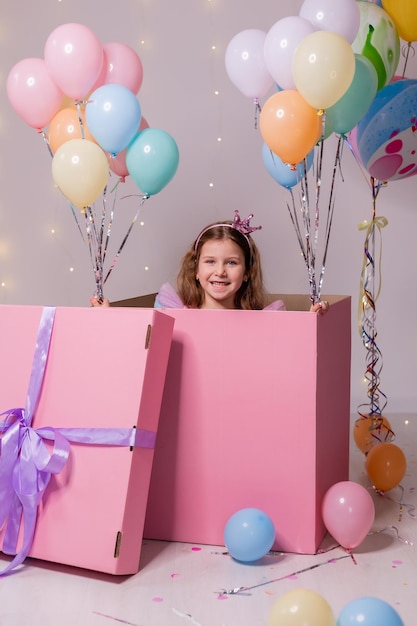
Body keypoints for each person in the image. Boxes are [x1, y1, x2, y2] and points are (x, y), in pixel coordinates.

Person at [90, 210, 329, 313]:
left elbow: (289, 352)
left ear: (247, 272)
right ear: (195, 269)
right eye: (210, 262)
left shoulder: (261, 322)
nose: (220, 272)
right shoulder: (175, 313)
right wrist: (109, 318)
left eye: (232, 263)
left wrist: (311, 323)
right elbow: (141, 345)